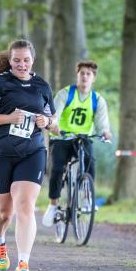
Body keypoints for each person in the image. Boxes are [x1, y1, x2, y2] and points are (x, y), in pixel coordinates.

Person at [0, 39, 56, 271]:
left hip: (32, 152)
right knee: (5, 213)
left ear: (33, 60)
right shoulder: (0, 84)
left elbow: (54, 122)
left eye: (26, 60)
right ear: (10, 61)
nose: (22, 64)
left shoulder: (42, 86)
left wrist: (47, 123)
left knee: (26, 207)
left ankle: (24, 264)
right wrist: (9, 118)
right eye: (17, 60)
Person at [42, 60, 111, 227]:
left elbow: (102, 124)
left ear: (93, 78)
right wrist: (54, 125)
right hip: (62, 138)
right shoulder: (66, 94)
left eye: (89, 74)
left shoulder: (97, 100)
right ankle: (52, 205)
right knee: (57, 169)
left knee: (90, 163)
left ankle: (87, 197)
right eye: (82, 73)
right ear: (77, 75)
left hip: (83, 138)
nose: (85, 77)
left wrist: (106, 133)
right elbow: (54, 114)